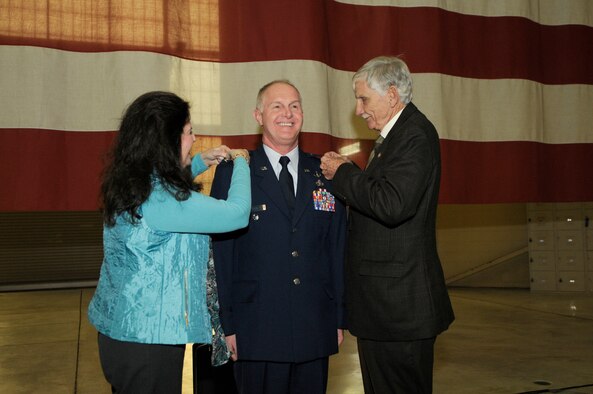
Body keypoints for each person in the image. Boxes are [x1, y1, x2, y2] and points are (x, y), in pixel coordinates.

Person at [87, 91, 252, 393]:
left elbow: (168, 191)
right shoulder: (161, 199)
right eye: (189, 132)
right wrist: (242, 162)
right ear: (166, 141)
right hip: (147, 344)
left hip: (124, 335)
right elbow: (237, 214)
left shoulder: (137, 179)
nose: (194, 138)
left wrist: (201, 161)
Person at [320, 56, 455, 393]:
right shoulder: (395, 137)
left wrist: (344, 173)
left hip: (400, 308)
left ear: (392, 95)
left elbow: (392, 204)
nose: (358, 109)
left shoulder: (415, 136)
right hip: (385, 306)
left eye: (363, 98)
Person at [210, 80, 347, 394]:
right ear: (258, 115)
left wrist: (339, 316)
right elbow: (223, 254)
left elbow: (337, 248)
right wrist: (226, 324)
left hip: (314, 325)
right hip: (256, 328)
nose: (288, 114)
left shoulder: (325, 174)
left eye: (295, 106)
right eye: (277, 106)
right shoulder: (235, 172)